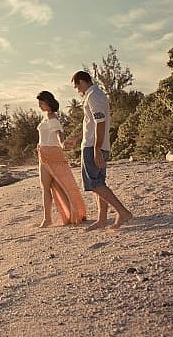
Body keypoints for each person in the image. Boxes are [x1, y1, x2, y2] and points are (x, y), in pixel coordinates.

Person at [64, 71, 133, 230]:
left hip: (93, 146)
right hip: (95, 144)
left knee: (94, 184)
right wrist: (76, 139)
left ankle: (123, 212)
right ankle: (102, 219)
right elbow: (91, 123)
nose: (77, 91)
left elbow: (100, 123)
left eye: (76, 87)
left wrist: (96, 149)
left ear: (82, 82)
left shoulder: (93, 96)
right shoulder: (94, 95)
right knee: (99, 183)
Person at [35, 91, 87, 227]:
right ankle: (47, 218)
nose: (39, 105)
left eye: (42, 102)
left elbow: (59, 134)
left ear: (48, 103)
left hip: (54, 154)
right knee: (45, 187)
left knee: (64, 186)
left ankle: (74, 213)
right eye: (39, 103)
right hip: (43, 153)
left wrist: (63, 143)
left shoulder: (53, 118)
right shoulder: (45, 117)